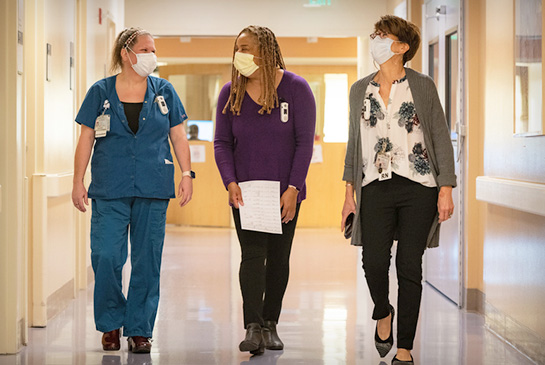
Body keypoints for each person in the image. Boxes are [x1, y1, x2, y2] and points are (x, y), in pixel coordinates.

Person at [341, 15, 456, 365]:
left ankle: (404, 348)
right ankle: (383, 310)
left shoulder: (422, 85)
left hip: (419, 186)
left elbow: (439, 135)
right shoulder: (360, 89)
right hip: (375, 185)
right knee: (373, 262)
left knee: (409, 266)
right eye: (374, 33)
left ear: (402, 46)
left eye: (382, 35)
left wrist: (446, 187)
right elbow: (354, 144)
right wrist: (348, 193)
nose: (375, 38)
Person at [72, 27, 194, 353]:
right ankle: (111, 322)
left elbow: (179, 136)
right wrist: (77, 181)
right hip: (109, 188)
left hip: (153, 187)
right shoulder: (100, 92)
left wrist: (187, 173)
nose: (151, 56)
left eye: (153, 49)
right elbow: (85, 138)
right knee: (106, 256)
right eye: (145, 49)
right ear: (127, 53)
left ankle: (139, 329)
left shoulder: (164, 91)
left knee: (147, 262)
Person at [214, 25, 316, 355]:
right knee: (252, 256)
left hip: (284, 191)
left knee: (278, 258)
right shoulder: (231, 93)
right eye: (237, 48)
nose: (238, 54)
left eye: (245, 47)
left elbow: (304, 144)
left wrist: (293, 188)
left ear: (266, 50)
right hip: (246, 192)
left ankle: (271, 323)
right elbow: (221, 143)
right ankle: (253, 326)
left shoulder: (297, 89)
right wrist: (230, 182)